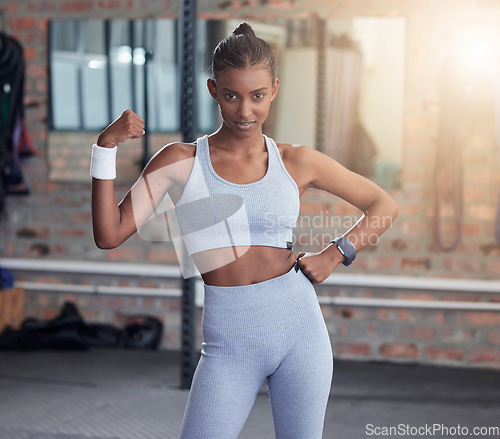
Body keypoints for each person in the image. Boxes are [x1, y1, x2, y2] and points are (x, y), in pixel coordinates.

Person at [90, 22, 398, 439]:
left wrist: (336, 252)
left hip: (299, 330)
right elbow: (110, 234)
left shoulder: (297, 161)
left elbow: (384, 205)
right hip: (228, 343)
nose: (245, 110)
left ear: (273, 89)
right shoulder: (180, 161)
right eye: (232, 96)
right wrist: (104, 148)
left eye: (257, 96)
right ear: (214, 90)